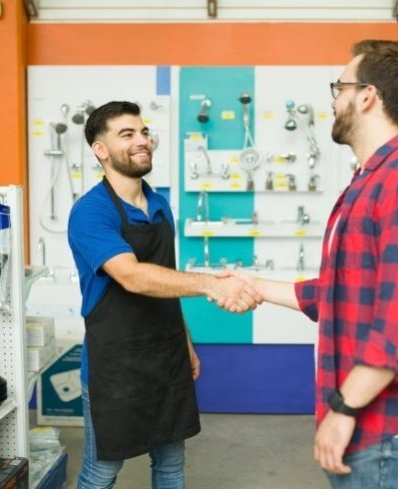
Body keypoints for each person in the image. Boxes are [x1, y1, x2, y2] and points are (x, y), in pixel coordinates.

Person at [227, 40, 398, 488]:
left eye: (339, 88)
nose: (334, 101)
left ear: (367, 96)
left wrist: (343, 408)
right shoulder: (370, 181)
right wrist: (256, 286)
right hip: (369, 425)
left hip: (390, 426)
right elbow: (341, 290)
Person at [67, 100, 261, 489]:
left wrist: (185, 342)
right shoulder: (91, 212)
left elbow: (166, 281)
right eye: (127, 134)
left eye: (143, 132)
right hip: (115, 366)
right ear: (100, 149)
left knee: (171, 465)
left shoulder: (159, 205)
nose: (142, 141)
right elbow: (134, 277)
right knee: (102, 470)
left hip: (166, 357)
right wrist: (211, 283)